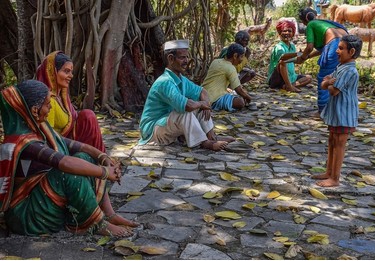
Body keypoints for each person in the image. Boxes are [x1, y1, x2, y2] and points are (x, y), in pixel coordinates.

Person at [0, 80, 139, 237]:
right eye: (47, 104)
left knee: (85, 158)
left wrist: (102, 157)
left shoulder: (40, 130)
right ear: (34, 110)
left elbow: (77, 146)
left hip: (42, 201)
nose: (50, 108)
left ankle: (109, 214)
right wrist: (104, 172)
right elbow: (64, 163)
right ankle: (96, 224)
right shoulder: (25, 142)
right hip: (28, 215)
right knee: (67, 173)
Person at [138, 39, 234, 151]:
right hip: (152, 130)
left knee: (200, 108)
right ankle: (205, 142)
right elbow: (186, 106)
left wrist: (205, 104)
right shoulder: (165, 82)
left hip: (166, 123)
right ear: (170, 59)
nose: (186, 61)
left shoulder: (181, 79)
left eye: (186, 57)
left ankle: (211, 136)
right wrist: (203, 104)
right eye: (182, 57)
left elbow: (202, 91)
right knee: (186, 113)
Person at [312, 35, 362, 187]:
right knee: (332, 141)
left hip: (344, 113)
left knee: (339, 143)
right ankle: (329, 172)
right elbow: (324, 85)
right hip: (336, 112)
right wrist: (327, 83)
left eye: (341, 48)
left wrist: (327, 82)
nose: (337, 51)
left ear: (351, 51)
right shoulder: (340, 68)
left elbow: (333, 90)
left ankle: (335, 178)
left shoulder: (349, 71)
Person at [36, 51, 106, 152]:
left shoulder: (62, 97)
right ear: (52, 72)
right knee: (88, 115)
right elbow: (47, 136)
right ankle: (100, 158)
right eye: (66, 71)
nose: (71, 76)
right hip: (61, 147)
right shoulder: (48, 101)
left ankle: (100, 157)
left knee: (87, 116)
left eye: (71, 72)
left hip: (70, 141)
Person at [296, 7, 348, 114]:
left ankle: (323, 111)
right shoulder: (326, 23)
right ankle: (341, 109)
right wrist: (308, 57)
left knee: (324, 78)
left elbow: (310, 47)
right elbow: (324, 48)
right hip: (348, 47)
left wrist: (302, 57)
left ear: (304, 20)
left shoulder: (311, 24)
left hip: (334, 47)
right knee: (340, 78)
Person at [202, 43, 252, 112]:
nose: (242, 60)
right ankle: (215, 106)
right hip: (214, 99)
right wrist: (247, 97)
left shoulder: (215, 61)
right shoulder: (230, 68)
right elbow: (238, 89)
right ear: (235, 56)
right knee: (240, 102)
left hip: (203, 95)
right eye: (241, 57)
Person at [267, 20, 312, 93]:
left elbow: (297, 60)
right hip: (277, 79)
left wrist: (304, 56)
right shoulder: (278, 47)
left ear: (293, 33)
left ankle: (287, 86)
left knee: (309, 78)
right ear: (280, 32)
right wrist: (297, 54)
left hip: (291, 77)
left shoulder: (292, 46)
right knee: (283, 62)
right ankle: (290, 86)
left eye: (289, 31)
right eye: (284, 31)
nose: (287, 33)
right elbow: (282, 57)